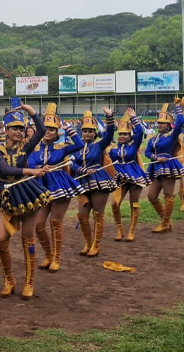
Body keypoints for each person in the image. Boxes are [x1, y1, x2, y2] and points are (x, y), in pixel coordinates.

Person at [0, 99, 50, 300]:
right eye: (15, 128)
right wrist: (31, 170)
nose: (19, 132)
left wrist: (30, 110)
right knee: (1, 241)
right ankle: (9, 280)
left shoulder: (26, 147)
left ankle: (29, 283)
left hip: (27, 194)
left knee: (27, 240)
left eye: (21, 128)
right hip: (8, 197)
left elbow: (40, 130)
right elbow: (4, 169)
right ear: (6, 130)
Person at [29, 104, 84, 272]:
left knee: (55, 222)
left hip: (59, 186)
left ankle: (56, 258)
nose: (48, 131)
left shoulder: (62, 147)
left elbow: (80, 143)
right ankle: (48, 254)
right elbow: (29, 164)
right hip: (40, 187)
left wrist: (69, 129)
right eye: (45, 128)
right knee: (38, 225)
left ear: (56, 132)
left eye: (52, 129)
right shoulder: (32, 148)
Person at [71, 108, 116, 257]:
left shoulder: (99, 145)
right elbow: (72, 164)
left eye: (90, 131)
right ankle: (88, 243)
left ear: (95, 132)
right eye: (84, 131)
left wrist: (110, 117)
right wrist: (82, 171)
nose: (87, 134)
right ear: (81, 132)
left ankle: (96, 245)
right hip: (82, 183)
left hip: (98, 181)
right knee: (82, 216)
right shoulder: (76, 149)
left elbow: (109, 134)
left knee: (98, 214)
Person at [108, 107, 151, 241]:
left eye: (125, 134)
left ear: (129, 136)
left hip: (134, 176)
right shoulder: (112, 150)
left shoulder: (134, 146)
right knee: (114, 204)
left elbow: (140, 132)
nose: (122, 136)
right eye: (120, 134)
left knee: (134, 203)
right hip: (119, 178)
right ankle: (119, 229)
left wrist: (134, 118)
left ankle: (131, 230)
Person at [145, 102, 184, 233]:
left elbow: (180, 122)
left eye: (162, 123)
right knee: (151, 196)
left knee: (168, 195)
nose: (159, 125)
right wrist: (156, 157)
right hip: (155, 167)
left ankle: (164, 223)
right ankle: (166, 220)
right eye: (158, 123)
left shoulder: (172, 136)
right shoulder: (153, 139)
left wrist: (179, 107)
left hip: (168, 167)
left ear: (169, 125)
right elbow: (147, 152)